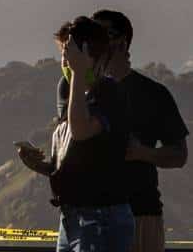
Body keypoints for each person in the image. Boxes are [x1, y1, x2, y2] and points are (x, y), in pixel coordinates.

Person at [16, 17, 133, 252]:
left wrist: (79, 74)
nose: (65, 63)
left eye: (70, 56)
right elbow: (79, 157)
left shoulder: (110, 93)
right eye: (64, 55)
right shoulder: (72, 92)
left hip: (100, 218)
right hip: (71, 217)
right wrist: (42, 166)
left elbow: (80, 131)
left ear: (93, 57)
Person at [92, 10, 188, 252]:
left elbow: (180, 155)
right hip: (90, 217)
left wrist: (142, 153)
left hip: (141, 215)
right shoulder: (84, 92)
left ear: (123, 43)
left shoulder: (154, 94)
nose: (96, 43)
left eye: (103, 35)